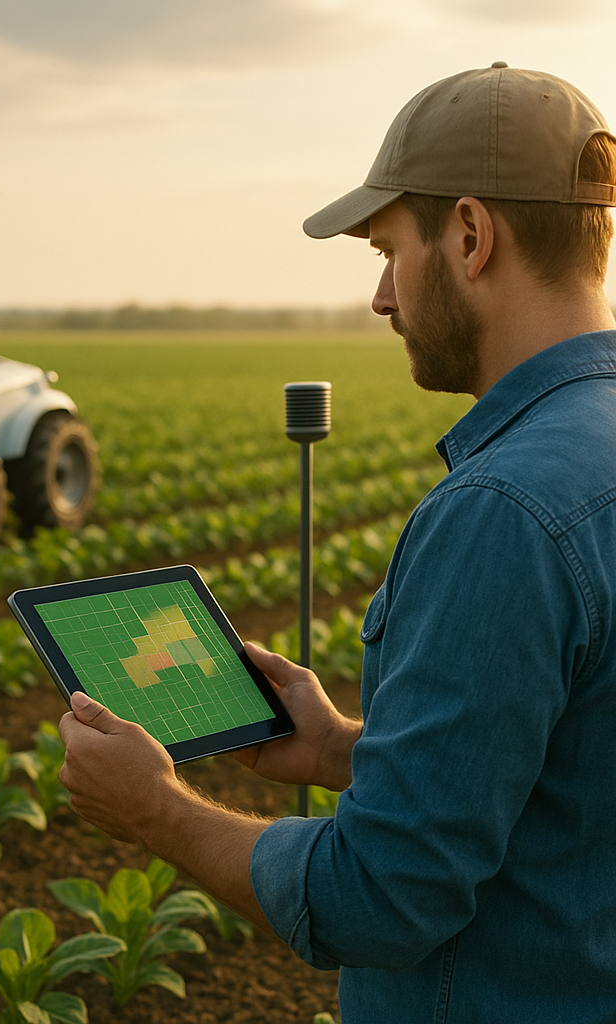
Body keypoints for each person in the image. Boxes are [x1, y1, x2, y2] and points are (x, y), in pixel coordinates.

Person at [57, 63, 616, 1023]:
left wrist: (159, 810)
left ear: (473, 237)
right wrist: (340, 751)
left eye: (387, 252)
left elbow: (382, 897)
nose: (383, 299)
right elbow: (573, 781)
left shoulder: (504, 512)